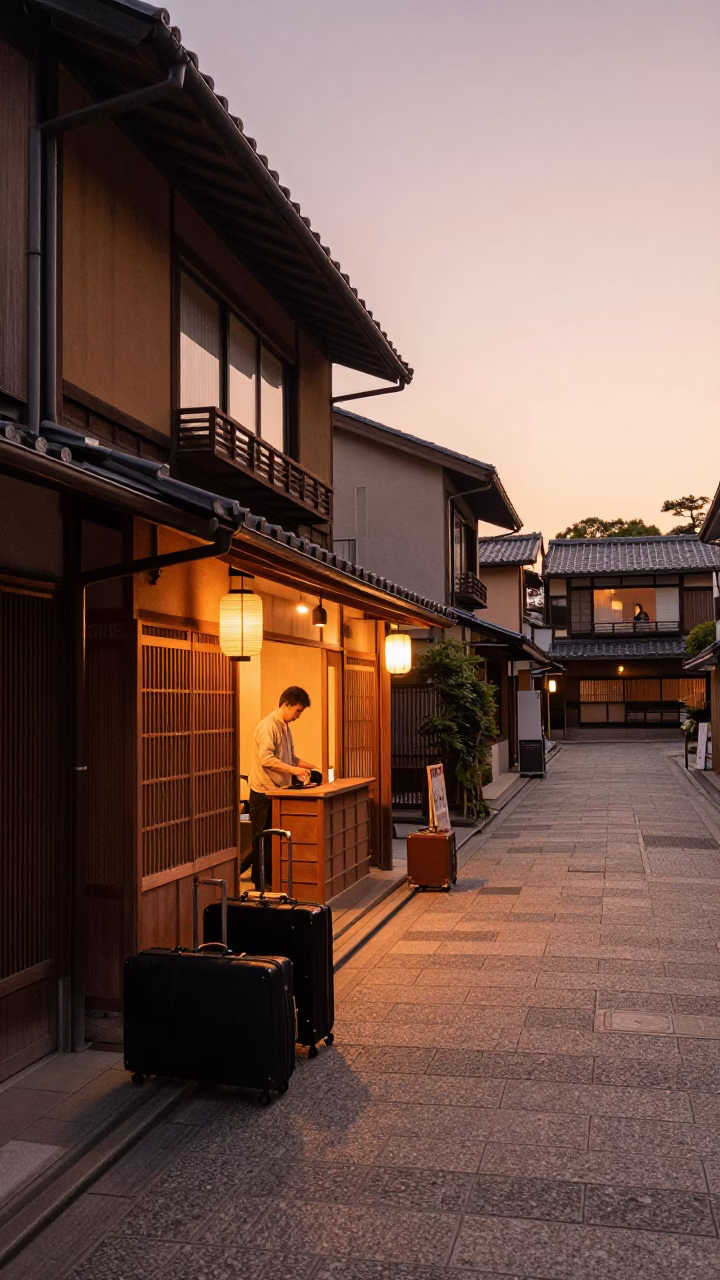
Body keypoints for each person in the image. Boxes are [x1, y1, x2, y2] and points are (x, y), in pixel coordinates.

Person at [248, 686, 317, 888]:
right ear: (286, 704)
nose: (298, 716)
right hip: (264, 791)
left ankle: (272, 880)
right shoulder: (268, 726)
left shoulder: (285, 727)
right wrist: (294, 771)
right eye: (297, 711)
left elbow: (291, 758)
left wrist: (311, 767)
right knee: (262, 839)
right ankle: (261, 884)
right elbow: (267, 759)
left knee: (274, 839)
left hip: (279, 791)